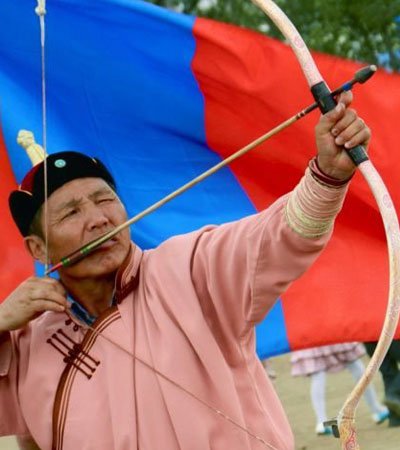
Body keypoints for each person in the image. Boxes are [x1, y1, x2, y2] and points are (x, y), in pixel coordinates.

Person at [0, 91, 371, 450]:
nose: (98, 220)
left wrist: (327, 177)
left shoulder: (189, 268)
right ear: (38, 249)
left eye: (105, 200)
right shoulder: (25, 340)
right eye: (71, 213)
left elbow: (276, 237)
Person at [290, 343, 389, 435]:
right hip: (326, 331)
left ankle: (321, 421)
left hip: (312, 335)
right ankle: (377, 410)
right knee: (354, 364)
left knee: (319, 374)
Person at [365, 340, 400, 427]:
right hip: (393, 334)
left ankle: (395, 418)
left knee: (388, 374)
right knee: (389, 374)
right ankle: (393, 393)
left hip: (369, 338)